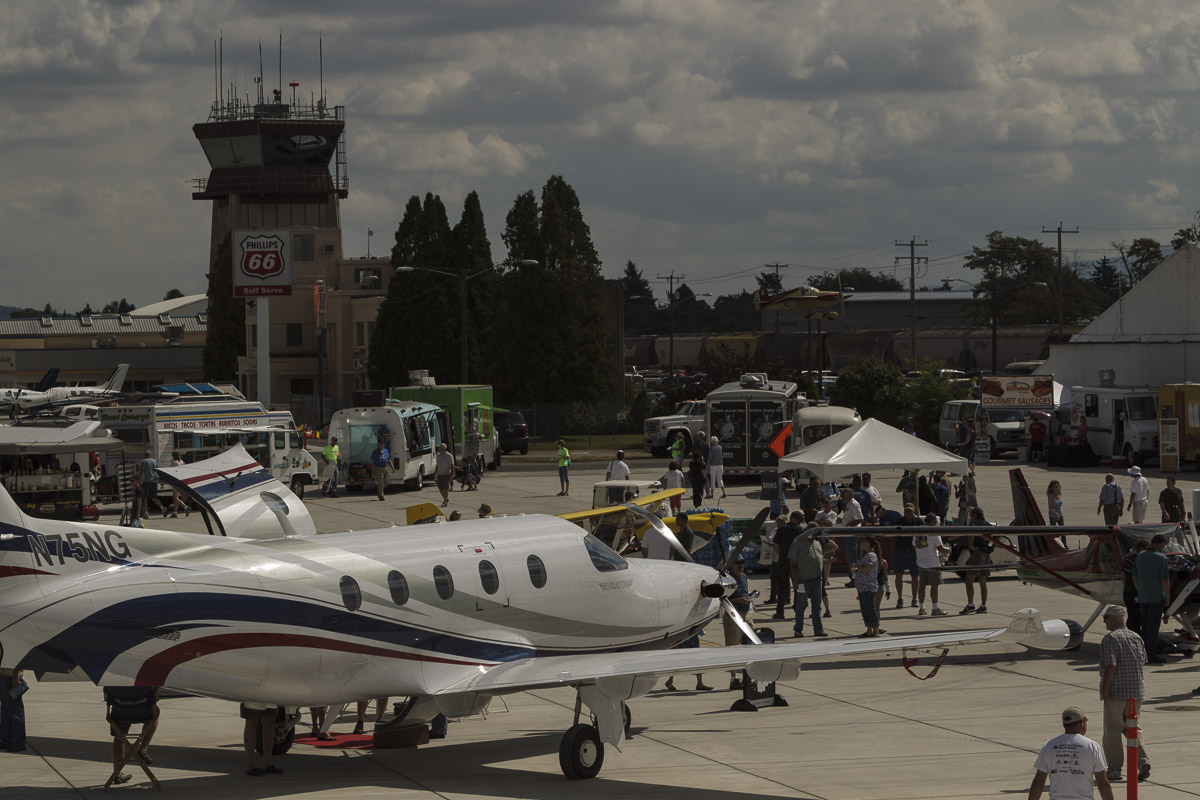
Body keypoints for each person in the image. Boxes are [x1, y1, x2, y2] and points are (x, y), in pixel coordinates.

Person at [1098, 605, 1150, 783]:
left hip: (1117, 692)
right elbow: (1143, 661)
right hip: (1136, 692)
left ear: (1113, 619)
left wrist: (1105, 689)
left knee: (1112, 731)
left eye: (1105, 618)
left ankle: (1114, 770)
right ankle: (1143, 762)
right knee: (1133, 728)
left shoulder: (1110, 639)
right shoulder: (1136, 637)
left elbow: (1110, 665)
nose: (1104, 622)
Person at [1027, 707, 1112, 800]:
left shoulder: (1049, 746)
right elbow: (1103, 784)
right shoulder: (1092, 746)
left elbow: (1038, 782)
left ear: (1064, 724)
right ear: (1082, 723)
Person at [106, 686, 159, 782]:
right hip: (143, 713)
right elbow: (156, 697)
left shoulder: (111, 678)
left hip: (120, 714)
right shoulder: (145, 678)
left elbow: (106, 697)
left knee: (119, 738)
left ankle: (117, 773)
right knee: (154, 717)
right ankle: (143, 749)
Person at [1133, 533, 1171, 664]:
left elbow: (1135, 577)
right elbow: (1165, 580)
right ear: (1160, 544)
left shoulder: (1140, 556)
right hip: (1156, 598)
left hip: (1144, 597)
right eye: (1164, 545)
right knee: (1153, 628)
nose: (1164, 547)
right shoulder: (1162, 558)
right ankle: (1151, 655)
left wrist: (1141, 590)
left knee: (1145, 627)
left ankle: (1141, 653)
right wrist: (1167, 596)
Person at [789, 524, 828, 638]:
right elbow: (793, 564)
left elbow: (819, 557)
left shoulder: (816, 542)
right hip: (803, 580)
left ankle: (818, 629)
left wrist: (826, 561)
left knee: (817, 605)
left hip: (817, 579)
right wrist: (795, 580)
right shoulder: (797, 543)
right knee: (801, 605)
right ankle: (798, 629)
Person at [724, 557, 754, 689]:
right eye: (738, 563)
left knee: (750, 645)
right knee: (733, 647)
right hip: (733, 615)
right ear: (731, 564)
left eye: (743, 562)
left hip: (746, 614)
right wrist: (739, 601)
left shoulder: (744, 576)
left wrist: (751, 596)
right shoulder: (727, 579)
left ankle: (749, 676)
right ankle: (733, 678)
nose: (741, 565)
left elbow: (745, 592)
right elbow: (723, 600)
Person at [771, 512, 804, 619]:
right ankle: (797, 609)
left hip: (783, 561)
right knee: (798, 587)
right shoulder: (801, 530)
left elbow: (776, 546)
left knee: (782, 587)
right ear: (799, 519)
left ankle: (780, 611)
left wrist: (782, 555)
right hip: (797, 561)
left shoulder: (781, 529)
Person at [914, 525, 949, 616]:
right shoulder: (934, 532)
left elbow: (915, 545)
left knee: (922, 586)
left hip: (921, 562)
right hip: (933, 564)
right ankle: (935, 608)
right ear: (933, 522)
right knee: (934, 586)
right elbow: (940, 548)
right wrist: (947, 551)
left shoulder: (917, 532)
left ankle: (922, 608)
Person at [960, 523, 994, 614]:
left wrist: (971, 545)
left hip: (977, 555)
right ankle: (983, 606)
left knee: (969, 580)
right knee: (983, 582)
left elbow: (971, 534)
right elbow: (998, 535)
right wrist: (992, 547)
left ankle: (970, 605)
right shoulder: (988, 525)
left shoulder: (974, 524)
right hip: (987, 555)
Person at [852, 537, 882, 637]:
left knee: (870, 609)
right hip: (862, 587)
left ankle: (875, 630)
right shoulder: (866, 555)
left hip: (868, 586)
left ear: (869, 543)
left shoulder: (870, 555)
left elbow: (866, 569)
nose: (861, 543)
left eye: (863, 541)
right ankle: (869, 629)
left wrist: (857, 566)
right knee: (865, 609)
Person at [241, 703, 283, 776]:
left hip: (270, 695)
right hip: (252, 694)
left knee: (270, 722)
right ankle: (251, 765)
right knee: (251, 722)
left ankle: (267, 763)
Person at [891, 508, 920, 610]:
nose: (908, 513)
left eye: (910, 511)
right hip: (900, 550)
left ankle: (914, 599)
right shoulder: (899, 521)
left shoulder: (919, 522)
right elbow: (893, 535)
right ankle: (900, 598)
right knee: (899, 575)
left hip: (913, 552)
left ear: (914, 512)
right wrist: (895, 547)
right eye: (907, 511)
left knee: (915, 576)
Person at [1122, 538, 1150, 637]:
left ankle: (1136, 635)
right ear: (1142, 548)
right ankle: (1132, 636)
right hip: (1132, 593)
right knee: (1134, 617)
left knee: (1139, 617)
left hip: (1132, 592)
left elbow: (1123, 577)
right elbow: (1131, 577)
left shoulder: (1131, 558)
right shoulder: (1131, 560)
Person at [0, 667, 27, 753]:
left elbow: (17, 660)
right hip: (3, 675)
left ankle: (19, 742)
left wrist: (16, 677)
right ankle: (5, 740)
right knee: (5, 710)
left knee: (15, 711)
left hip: (11, 676)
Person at [138, 450, 165, 519]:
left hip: (147, 481)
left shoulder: (144, 461)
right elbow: (158, 471)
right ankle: (162, 507)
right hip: (154, 481)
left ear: (145, 455)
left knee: (145, 498)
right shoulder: (155, 461)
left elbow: (141, 472)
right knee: (153, 497)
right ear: (150, 455)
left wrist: (139, 481)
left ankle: (146, 513)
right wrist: (161, 481)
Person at [168, 450, 189, 517]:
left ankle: (186, 507)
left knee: (175, 498)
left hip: (175, 481)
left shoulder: (173, 462)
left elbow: (170, 471)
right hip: (181, 480)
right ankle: (175, 512)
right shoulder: (181, 462)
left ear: (173, 456)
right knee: (176, 497)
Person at [434, 443, 455, 507]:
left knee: (445, 488)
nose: (438, 449)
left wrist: (451, 475)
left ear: (443, 449)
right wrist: (435, 473)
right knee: (440, 488)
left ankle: (445, 501)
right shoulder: (438, 456)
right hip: (440, 474)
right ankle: (446, 498)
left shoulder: (449, 456)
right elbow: (437, 465)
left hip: (446, 474)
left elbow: (452, 466)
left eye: (440, 448)